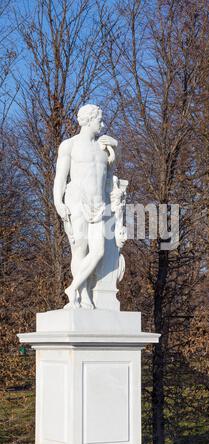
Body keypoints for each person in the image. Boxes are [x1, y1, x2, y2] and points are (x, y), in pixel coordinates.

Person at [53, 104, 118, 308]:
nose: (102, 124)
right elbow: (60, 178)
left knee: (98, 251)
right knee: (79, 250)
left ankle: (73, 287)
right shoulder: (69, 145)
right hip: (76, 200)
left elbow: (110, 175)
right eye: (100, 120)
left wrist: (117, 147)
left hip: (98, 204)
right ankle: (81, 296)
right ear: (89, 120)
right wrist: (58, 202)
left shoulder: (103, 147)